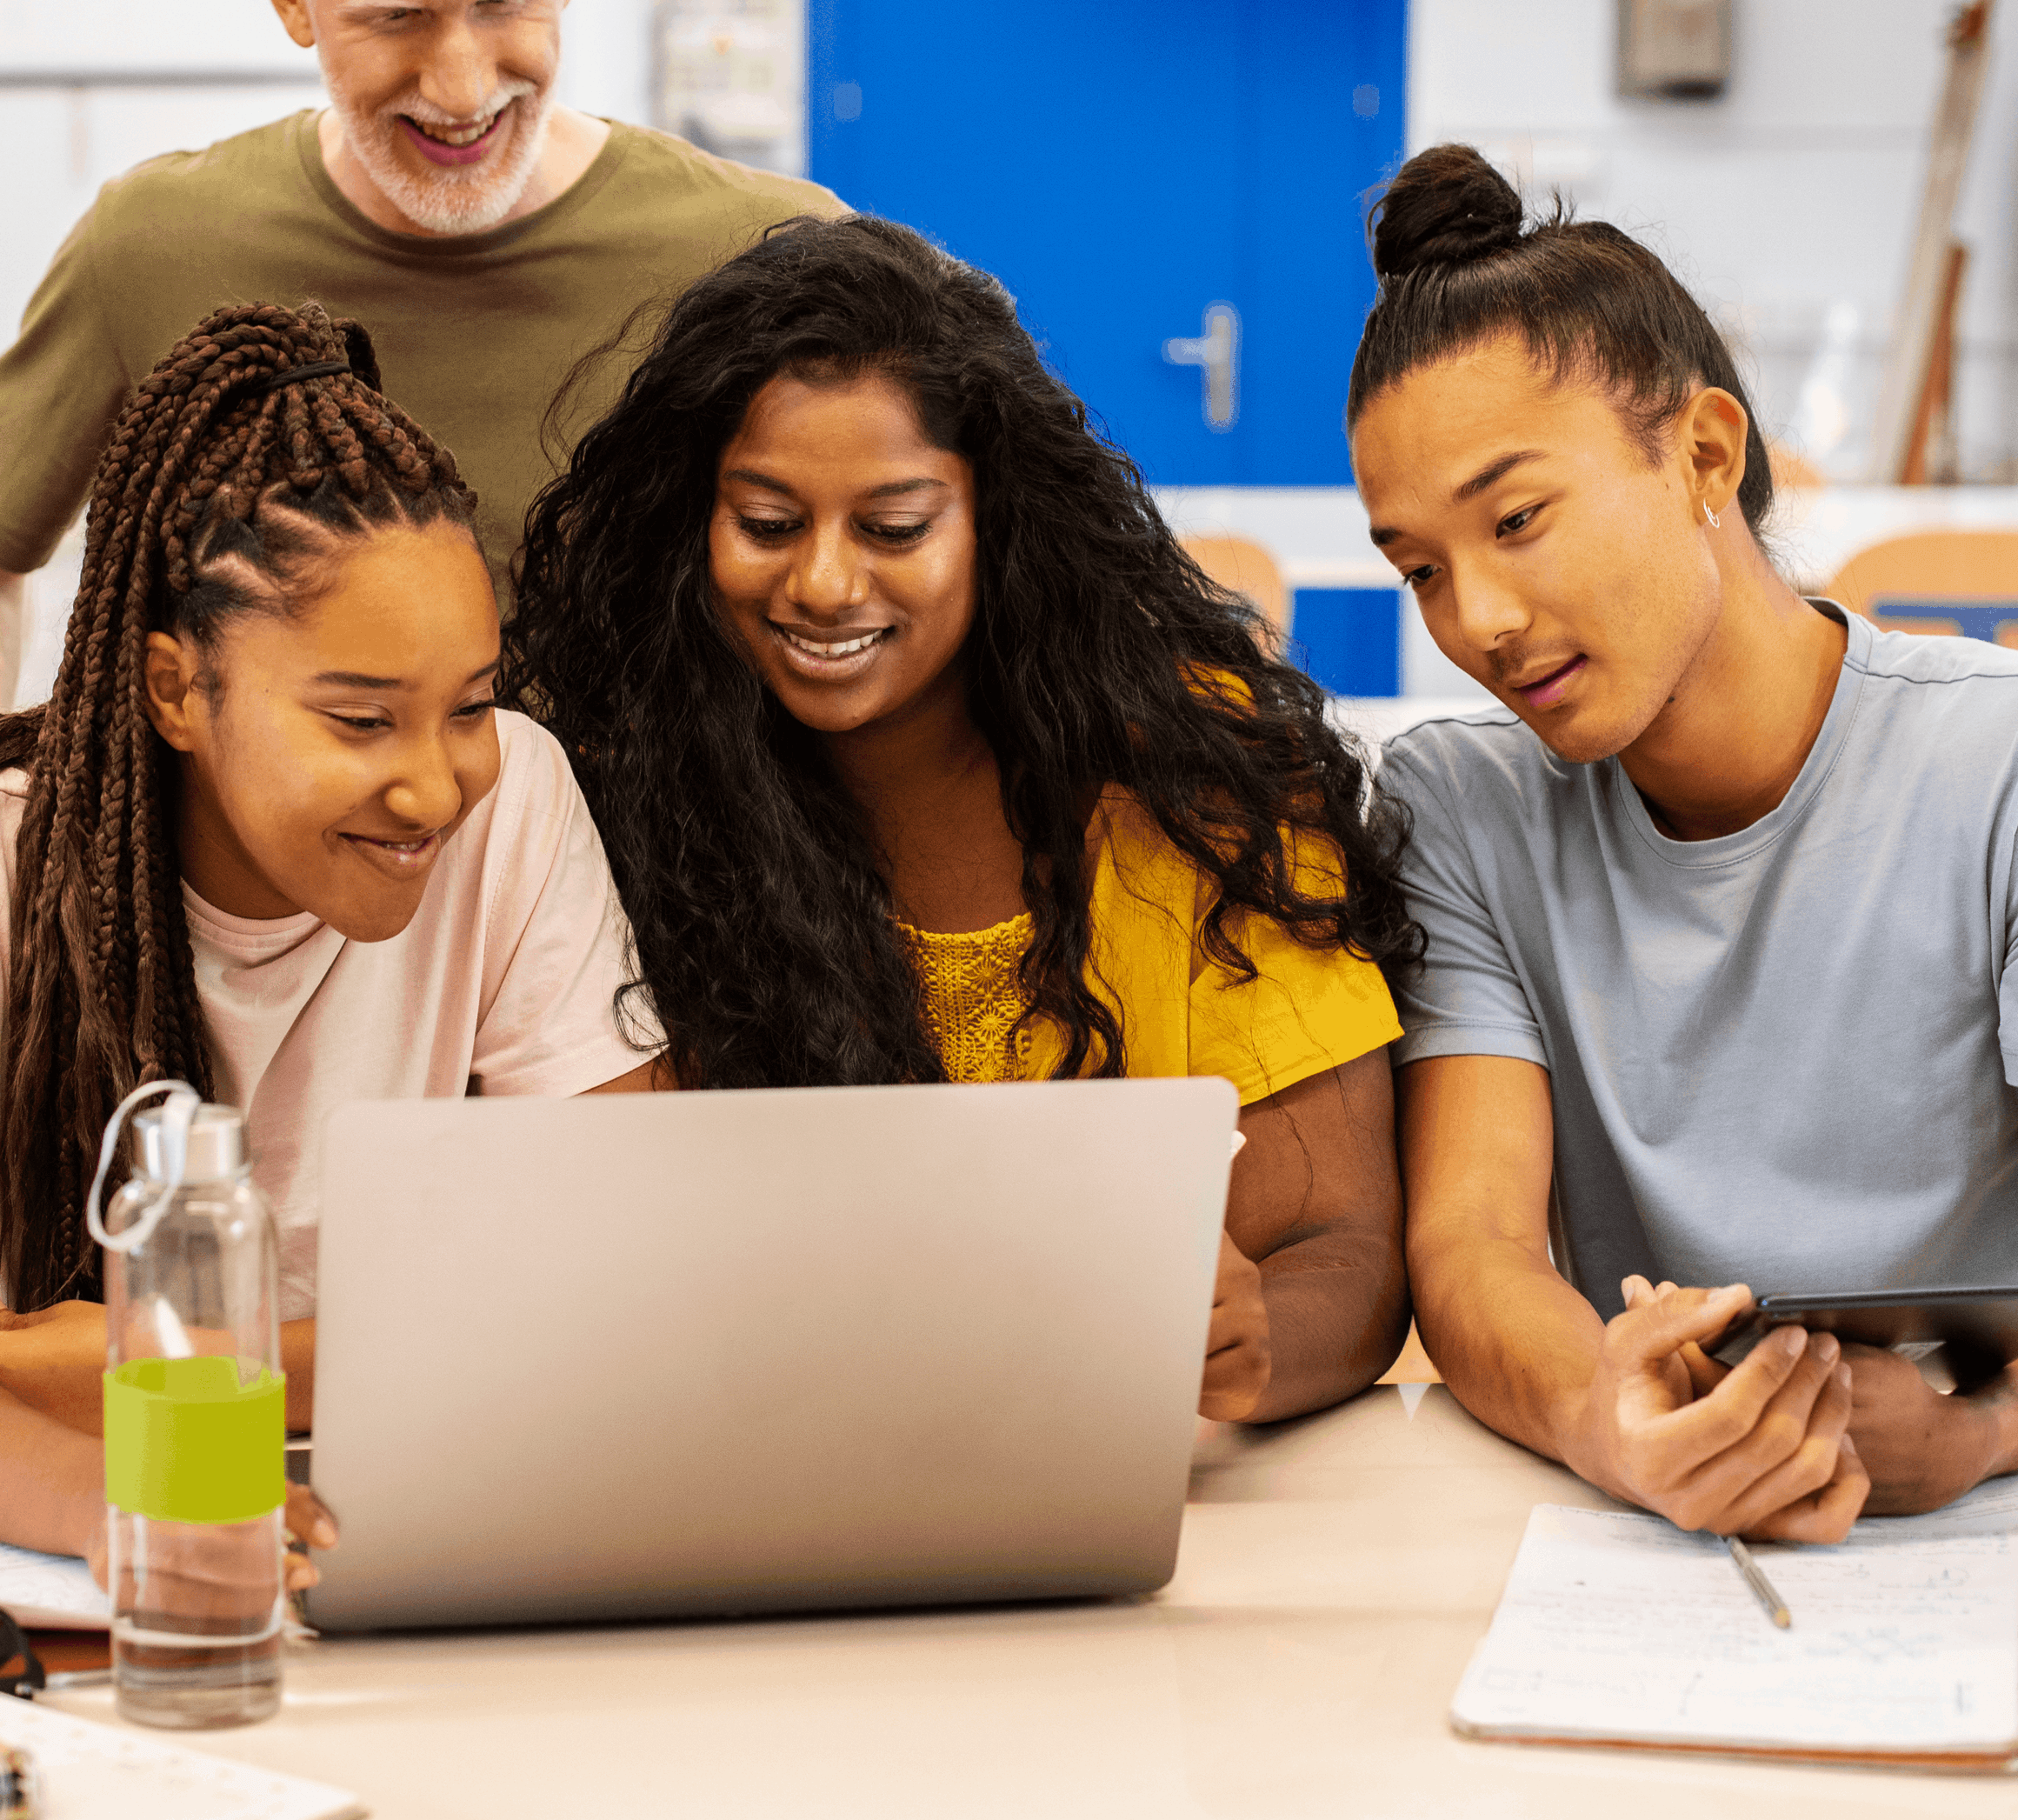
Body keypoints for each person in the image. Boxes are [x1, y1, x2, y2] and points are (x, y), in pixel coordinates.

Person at [1355, 144, 2018, 1542]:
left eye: (1517, 520)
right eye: (1423, 570)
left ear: (1704, 452)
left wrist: (1970, 1435)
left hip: (2001, 1519)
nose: (1481, 621)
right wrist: (1609, 1420)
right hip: (1655, 1537)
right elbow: (1473, 1250)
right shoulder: (1463, 809)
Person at [0, 304, 658, 1557]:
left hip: (416, 1516)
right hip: (51, 1525)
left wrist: (186, 1362)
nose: (437, 786)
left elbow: (619, 1293)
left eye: (470, 705)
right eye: (360, 721)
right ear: (178, 688)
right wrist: (148, 1509)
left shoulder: (515, 803)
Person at [503, 216, 1416, 1423]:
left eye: (894, 528)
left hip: (1156, 1497)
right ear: (691, 528)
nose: (825, 584)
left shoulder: (1202, 787)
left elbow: (1345, 1247)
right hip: (765, 1468)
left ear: (998, 527)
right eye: (768, 524)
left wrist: (1258, 1347)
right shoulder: (614, 802)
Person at [0, 0, 836, 735]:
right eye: (397, 19)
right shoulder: (155, 248)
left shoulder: (769, 259)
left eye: (505, 3)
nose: (463, 86)